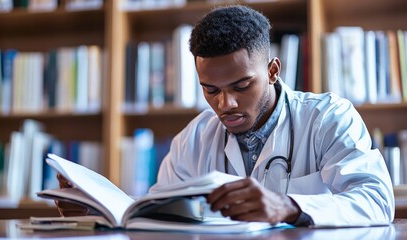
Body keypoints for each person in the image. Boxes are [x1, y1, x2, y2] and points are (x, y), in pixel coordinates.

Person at [57, 5, 394, 226]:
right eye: (211, 90)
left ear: (273, 70)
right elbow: (158, 217)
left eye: (241, 85)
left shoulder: (328, 118)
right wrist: (99, 216)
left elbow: (377, 202)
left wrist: (289, 206)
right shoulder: (194, 137)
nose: (226, 104)